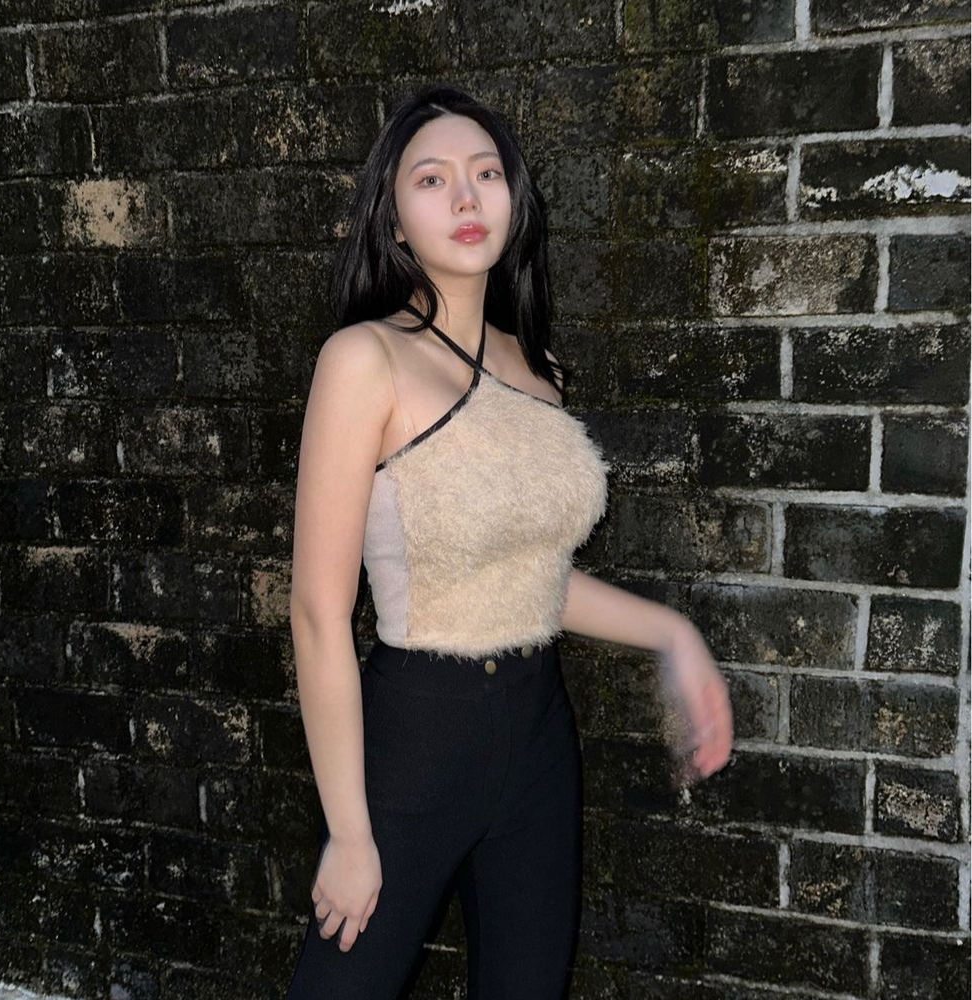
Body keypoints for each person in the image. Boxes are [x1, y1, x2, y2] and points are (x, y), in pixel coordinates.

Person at [283, 83, 733, 1000]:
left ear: (514, 199)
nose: (465, 196)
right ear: (394, 220)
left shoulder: (537, 370)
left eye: (485, 173)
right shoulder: (364, 359)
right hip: (417, 736)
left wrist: (674, 634)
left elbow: (535, 583)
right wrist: (351, 832)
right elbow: (319, 613)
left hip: (537, 739)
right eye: (431, 178)